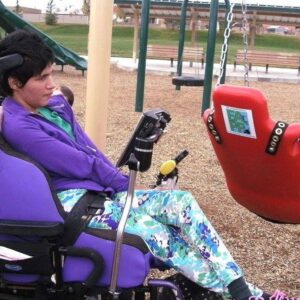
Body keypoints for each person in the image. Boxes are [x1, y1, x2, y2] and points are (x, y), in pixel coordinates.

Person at [0, 30, 295, 300]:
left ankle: (239, 287)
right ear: (14, 82)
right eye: (42, 78)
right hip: (72, 200)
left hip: (97, 192)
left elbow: (89, 149)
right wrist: (123, 187)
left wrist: (125, 186)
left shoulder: (54, 105)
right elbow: (81, 164)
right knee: (161, 234)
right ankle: (249, 295)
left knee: (180, 202)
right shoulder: (19, 126)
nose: (51, 84)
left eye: (51, 74)